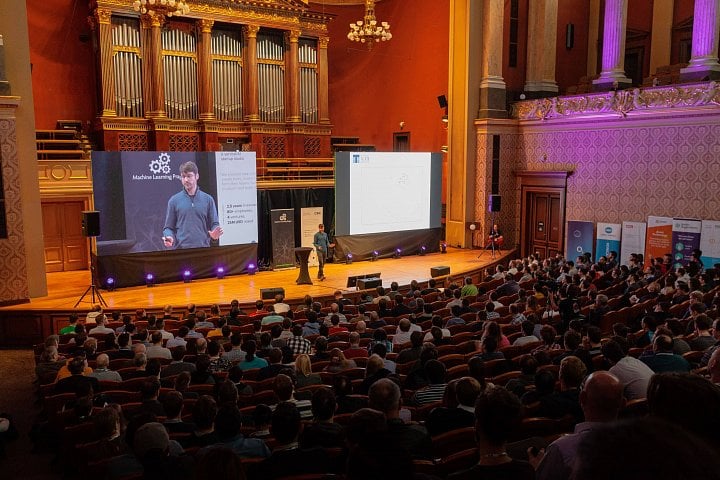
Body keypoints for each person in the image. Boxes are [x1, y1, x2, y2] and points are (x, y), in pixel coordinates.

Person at [530, 371, 625, 480]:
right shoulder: (640, 444)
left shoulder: (560, 449)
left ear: (582, 399)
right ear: (623, 404)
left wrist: (537, 468)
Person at [162, 161, 223, 249]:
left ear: (197, 176)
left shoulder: (208, 199)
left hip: (203, 250)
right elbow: (168, 228)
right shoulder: (174, 200)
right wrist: (169, 237)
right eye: (183, 176)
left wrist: (214, 234)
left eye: (189, 176)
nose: (186, 179)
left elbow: (214, 223)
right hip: (181, 251)